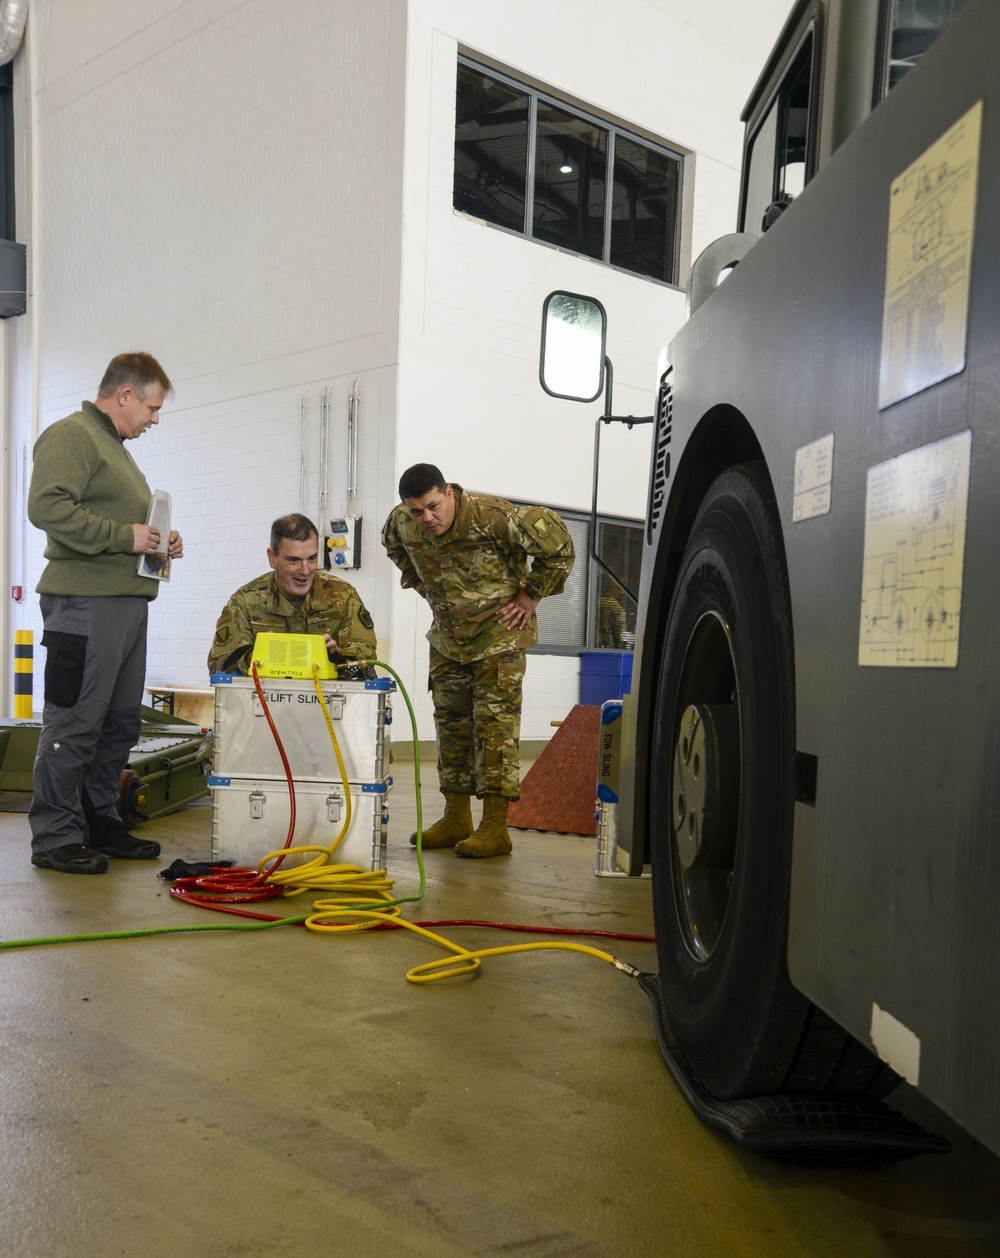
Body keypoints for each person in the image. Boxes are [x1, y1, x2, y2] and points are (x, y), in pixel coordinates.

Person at [27, 351, 185, 874]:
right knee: (74, 724)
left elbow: (122, 525)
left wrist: (158, 542)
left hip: (127, 605)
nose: (154, 420)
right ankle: (55, 835)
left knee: (118, 724)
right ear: (124, 395)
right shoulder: (73, 435)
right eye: (152, 408)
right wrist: (127, 536)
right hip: (84, 606)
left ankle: (98, 822)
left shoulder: (115, 448)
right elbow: (47, 508)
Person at [382, 464, 574, 858]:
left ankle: (495, 827)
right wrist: (428, 590)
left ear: (449, 492)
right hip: (449, 640)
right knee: (451, 724)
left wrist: (531, 596)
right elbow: (396, 550)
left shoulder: (494, 517)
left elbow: (559, 550)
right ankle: (456, 817)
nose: (427, 518)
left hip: (498, 638)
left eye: (433, 506)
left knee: (494, 729)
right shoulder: (402, 523)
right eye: (417, 511)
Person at [208, 513, 377, 676]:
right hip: (263, 702)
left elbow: (367, 657)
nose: (305, 570)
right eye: (294, 560)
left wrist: (337, 655)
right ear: (272, 558)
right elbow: (219, 665)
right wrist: (255, 656)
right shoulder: (245, 602)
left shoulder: (343, 596)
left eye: (312, 559)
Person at [595, 581, 627, 649]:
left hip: (591, 644)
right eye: (621, 590)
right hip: (608, 648)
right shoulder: (616, 607)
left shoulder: (593, 602)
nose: (623, 593)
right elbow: (621, 634)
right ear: (615, 589)